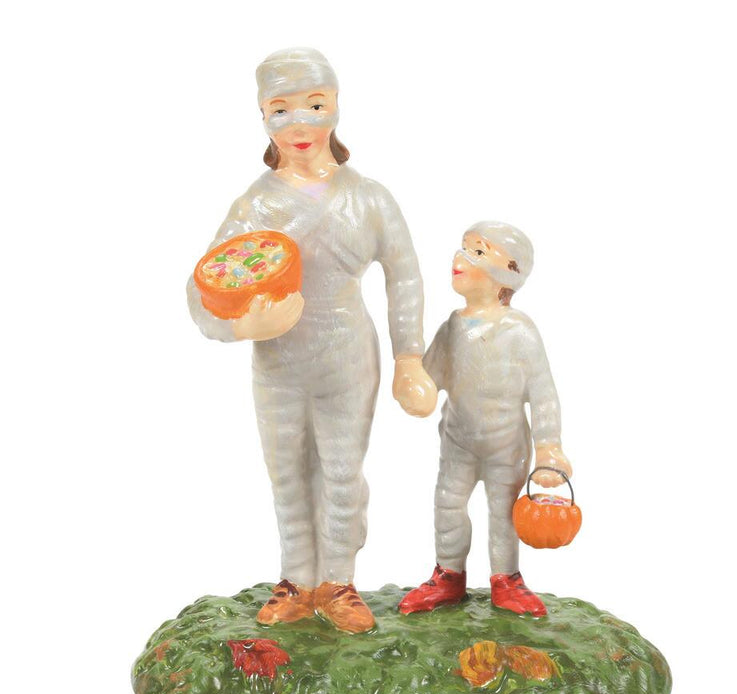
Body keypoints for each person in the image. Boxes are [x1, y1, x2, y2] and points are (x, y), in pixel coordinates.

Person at [187, 48, 437, 633]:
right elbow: (202, 285)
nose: (299, 123)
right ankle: (296, 580)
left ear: (336, 107)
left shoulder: (368, 197)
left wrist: (408, 358)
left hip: (346, 354)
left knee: (342, 470)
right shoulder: (256, 204)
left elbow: (404, 274)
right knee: (287, 471)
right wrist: (241, 326)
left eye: (315, 105)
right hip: (278, 360)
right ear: (262, 116)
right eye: (281, 109)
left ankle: (338, 582)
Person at [398, 221, 571, 617]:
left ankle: (506, 579)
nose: (461, 257)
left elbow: (543, 393)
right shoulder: (452, 328)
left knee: (503, 512)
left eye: (477, 252)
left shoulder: (519, 331)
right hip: (458, 441)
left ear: (508, 272)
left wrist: (548, 447)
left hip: (505, 446)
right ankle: (448, 575)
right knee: (448, 504)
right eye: (464, 247)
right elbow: (429, 380)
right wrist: (409, 381)